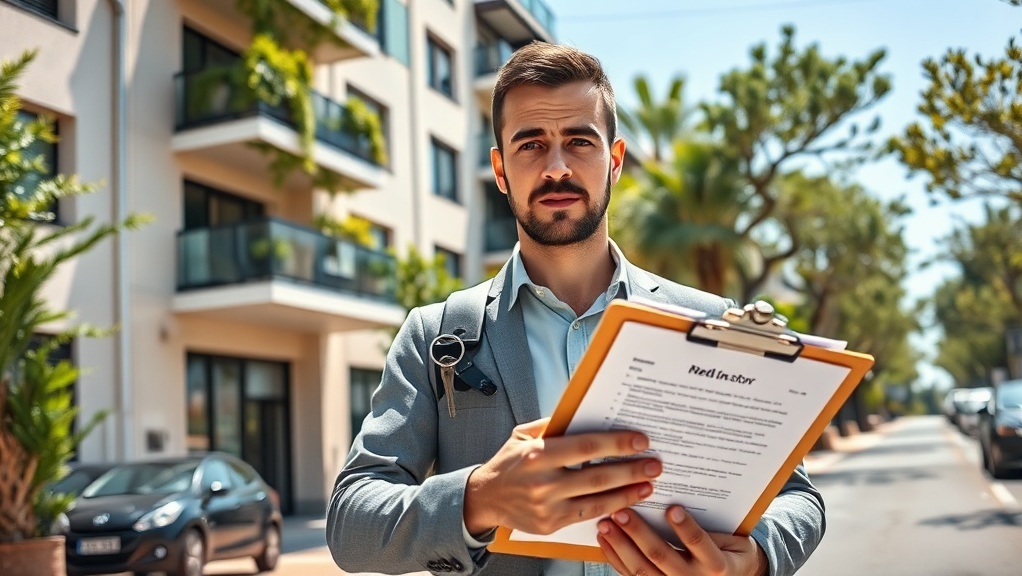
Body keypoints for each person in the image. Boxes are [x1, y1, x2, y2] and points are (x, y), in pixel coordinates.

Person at [326, 41, 824, 576]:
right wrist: (481, 498)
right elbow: (351, 523)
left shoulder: (707, 321)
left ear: (614, 161)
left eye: (579, 142)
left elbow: (797, 497)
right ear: (499, 170)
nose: (557, 167)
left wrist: (754, 560)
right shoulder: (435, 334)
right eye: (531, 144)